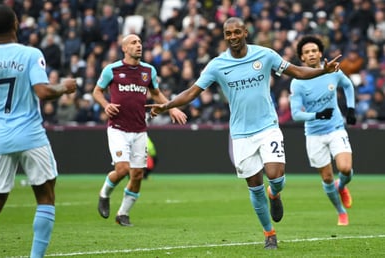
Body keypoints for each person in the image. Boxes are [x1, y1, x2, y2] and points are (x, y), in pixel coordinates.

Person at [146, 17, 341, 249]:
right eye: (228, 34)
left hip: (268, 127)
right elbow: (192, 92)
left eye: (237, 32)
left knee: (276, 176)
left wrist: (321, 71)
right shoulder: (217, 65)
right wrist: (167, 106)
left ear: (245, 32)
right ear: (224, 36)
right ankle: (269, 233)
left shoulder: (265, 55)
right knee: (255, 185)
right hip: (241, 134)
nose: (233, 37)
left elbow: (297, 71)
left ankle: (275, 194)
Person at [0, 5, 77, 258]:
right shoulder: (30, 53)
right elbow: (44, 92)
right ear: (15, 24)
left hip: (0, 138)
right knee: (45, 198)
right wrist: (64, 87)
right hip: (31, 136)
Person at [93, 34, 187, 227]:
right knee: (122, 169)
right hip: (118, 128)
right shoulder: (112, 70)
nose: (138, 46)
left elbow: (156, 94)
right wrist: (105, 105)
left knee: (137, 175)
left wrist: (172, 107)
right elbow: (97, 91)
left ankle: (123, 214)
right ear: (124, 48)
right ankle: (104, 194)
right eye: (133, 43)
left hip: (139, 130)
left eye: (140, 43)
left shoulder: (148, 71)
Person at [289, 35, 356, 226]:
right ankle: (341, 212)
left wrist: (350, 108)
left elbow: (348, 85)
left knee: (345, 168)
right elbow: (295, 114)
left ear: (320, 53)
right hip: (314, 134)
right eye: (306, 52)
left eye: (313, 51)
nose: (311, 54)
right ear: (302, 58)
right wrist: (316, 115)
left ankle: (341, 186)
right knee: (326, 177)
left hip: (335, 128)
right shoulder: (298, 81)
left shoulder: (332, 71)